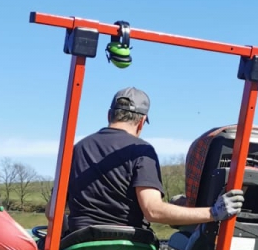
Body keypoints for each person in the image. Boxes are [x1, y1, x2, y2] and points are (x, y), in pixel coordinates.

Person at [51, 87, 243, 234]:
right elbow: (153, 210)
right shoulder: (141, 151)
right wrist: (213, 212)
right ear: (142, 122)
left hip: (79, 249)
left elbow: (52, 211)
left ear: (109, 115)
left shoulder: (78, 148)